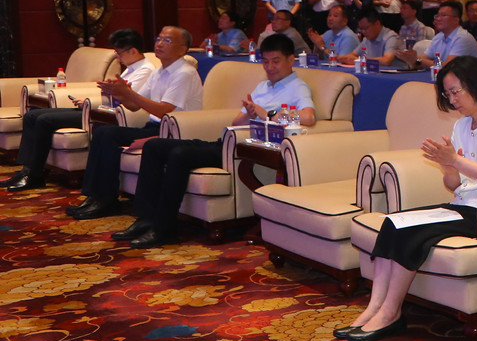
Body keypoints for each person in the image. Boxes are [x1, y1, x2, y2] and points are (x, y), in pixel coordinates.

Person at [335, 57, 477, 341]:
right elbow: (455, 185)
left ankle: (391, 313)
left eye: (456, 91)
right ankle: (375, 307)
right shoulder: (462, 126)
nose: (452, 100)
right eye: (448, 94)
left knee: (413, 234)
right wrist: (449, 168)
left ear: (476, 85)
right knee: (393, 223)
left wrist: (455, 161)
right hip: (462, 206)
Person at [111, 33, 314, 248]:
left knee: (179, 154)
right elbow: (237, 121)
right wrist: (250, 113)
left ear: (290, 60)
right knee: (154, 146)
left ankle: (164, 228)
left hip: (241, 149)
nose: (270, 67)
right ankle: (145, 218)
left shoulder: (297, 87)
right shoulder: (263, 86)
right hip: (225, 142)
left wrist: (268, 114)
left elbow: (308, 117)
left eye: (276, 61)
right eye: (265, 62)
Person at [64, 27, 205, 218]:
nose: (159, 44)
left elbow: (164, 110)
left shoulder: (184, 73)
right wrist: (119, 93)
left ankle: (106, 200)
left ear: (182, 49)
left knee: (109, 135)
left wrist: (128, 93)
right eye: (158, 38)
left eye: (167, 41)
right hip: (155, 126)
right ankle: (95, 196)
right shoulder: (158, 72)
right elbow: (134, 106)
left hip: (175, 131)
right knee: (103, 132)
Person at [7, 28, 153, 192]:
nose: (117, 57)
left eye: (119, 53)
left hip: (107, 116)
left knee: (44, 120)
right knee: (32, 116)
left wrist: (97, 101)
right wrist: (90, 101)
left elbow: (129, 100)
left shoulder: (145, 70)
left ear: (133, 51)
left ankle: (34, 174)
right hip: (98, 110)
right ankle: (26, 170)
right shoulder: (130, 68)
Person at [415, 1, 477, 66]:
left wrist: (418, 61)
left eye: (443, 15)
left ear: (456, 20)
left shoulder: (463, 38)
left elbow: (448, 66)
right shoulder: (439, 37)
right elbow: (423, 58)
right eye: (437, 16)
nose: (438, 19)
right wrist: (414, 60)